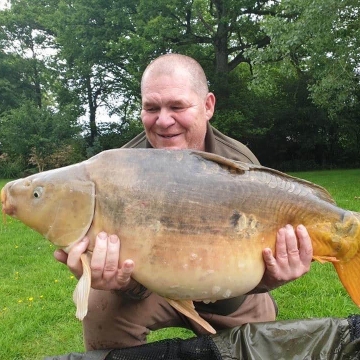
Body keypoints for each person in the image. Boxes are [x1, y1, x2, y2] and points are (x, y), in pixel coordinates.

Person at [54, 54, 313, 351]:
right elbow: (125, 274)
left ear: (207, 106)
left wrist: (274, 276)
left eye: (177, 106)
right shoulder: (119, 170)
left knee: (256, 345)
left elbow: (257, 268)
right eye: (152, 108)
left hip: (228, 295)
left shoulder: (238, 164)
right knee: (99, 304)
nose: (164, 121)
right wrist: (118, 280)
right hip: (150, 288)